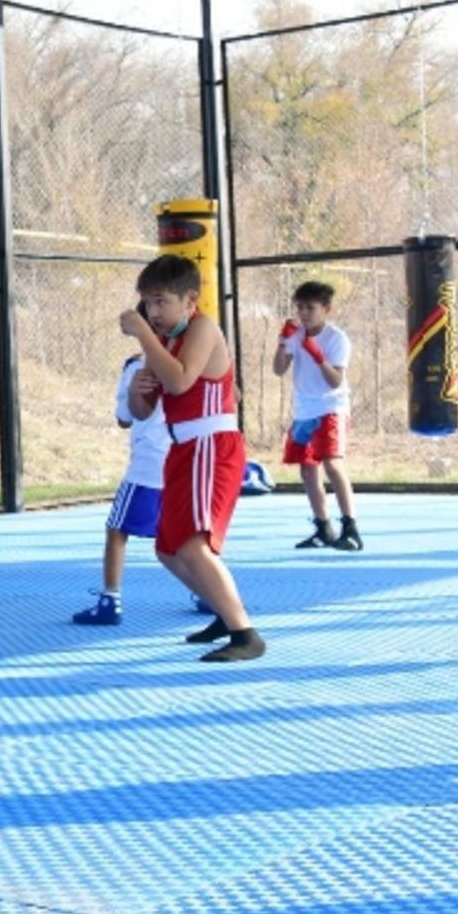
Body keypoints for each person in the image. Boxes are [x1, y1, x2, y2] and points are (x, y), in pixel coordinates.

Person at [120, 254, 264, 662]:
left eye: (162, 301)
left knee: (193, 545)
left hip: (211, 446)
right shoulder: (162, 342)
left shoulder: (202, 327)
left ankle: (244, 633)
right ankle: (224, 612)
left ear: (189, 300)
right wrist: (135, 388)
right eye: (147, 303)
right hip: (182, 448)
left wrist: (143, 336)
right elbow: (145, 410)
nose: (153, 311)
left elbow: (182, 381)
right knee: (166, 547)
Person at [71, 345, 170, 626]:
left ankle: (110, 599)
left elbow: (124, 419)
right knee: (189, 536)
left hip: (148, 467)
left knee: (116, 529)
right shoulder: (190, 362)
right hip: (184, 463)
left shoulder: (137, 366)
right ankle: (208, 594)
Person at [273, 281, 361, 551]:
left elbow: (335, 381)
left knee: (332, 464)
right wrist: (282, 342)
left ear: (326, 309)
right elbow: (278, 370)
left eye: (310, 307)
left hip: (330, 407)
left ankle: (351, 527)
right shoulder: (296, 334)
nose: (304, 313)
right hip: (304, 410)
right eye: (300, 307)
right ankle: (323, 528)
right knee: (308, 469)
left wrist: (317, 356)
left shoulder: (337, 339)